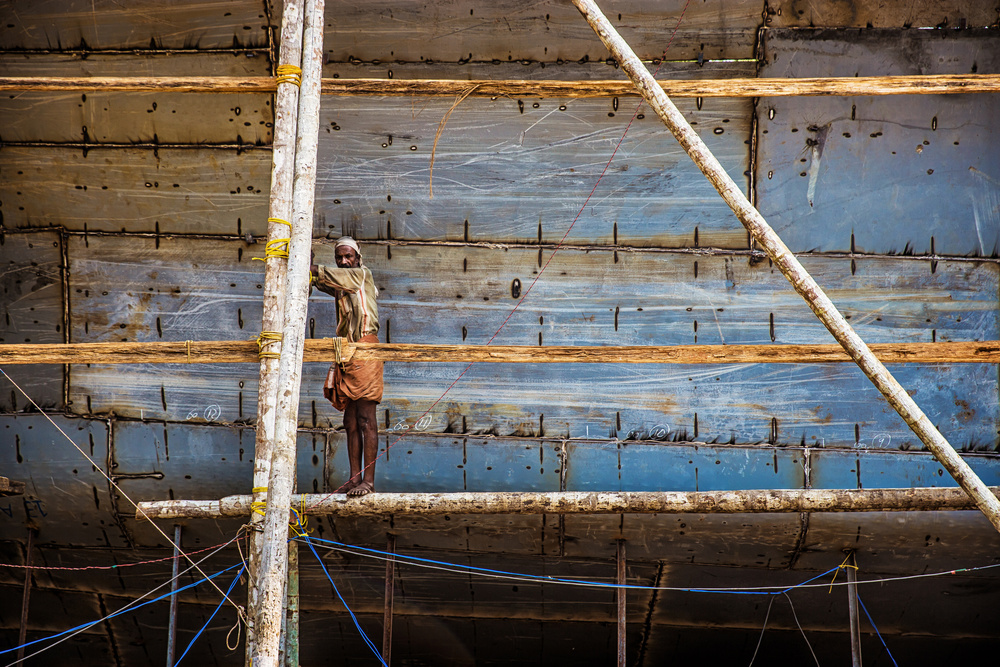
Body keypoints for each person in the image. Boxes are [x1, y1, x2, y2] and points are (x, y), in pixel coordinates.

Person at [310, 236, 383, 497]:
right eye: (339, 257)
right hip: (347, 353)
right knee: (350, 421)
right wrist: (310, 274)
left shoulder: (361, 275)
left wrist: (311, 268)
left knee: (366, 420)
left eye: (348, 256)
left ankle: (369, 482)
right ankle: (355, 479)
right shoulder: (341, 282)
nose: (343, 261)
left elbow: (323, 275)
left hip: (364, 349)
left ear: (357, 257)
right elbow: (323, 283)